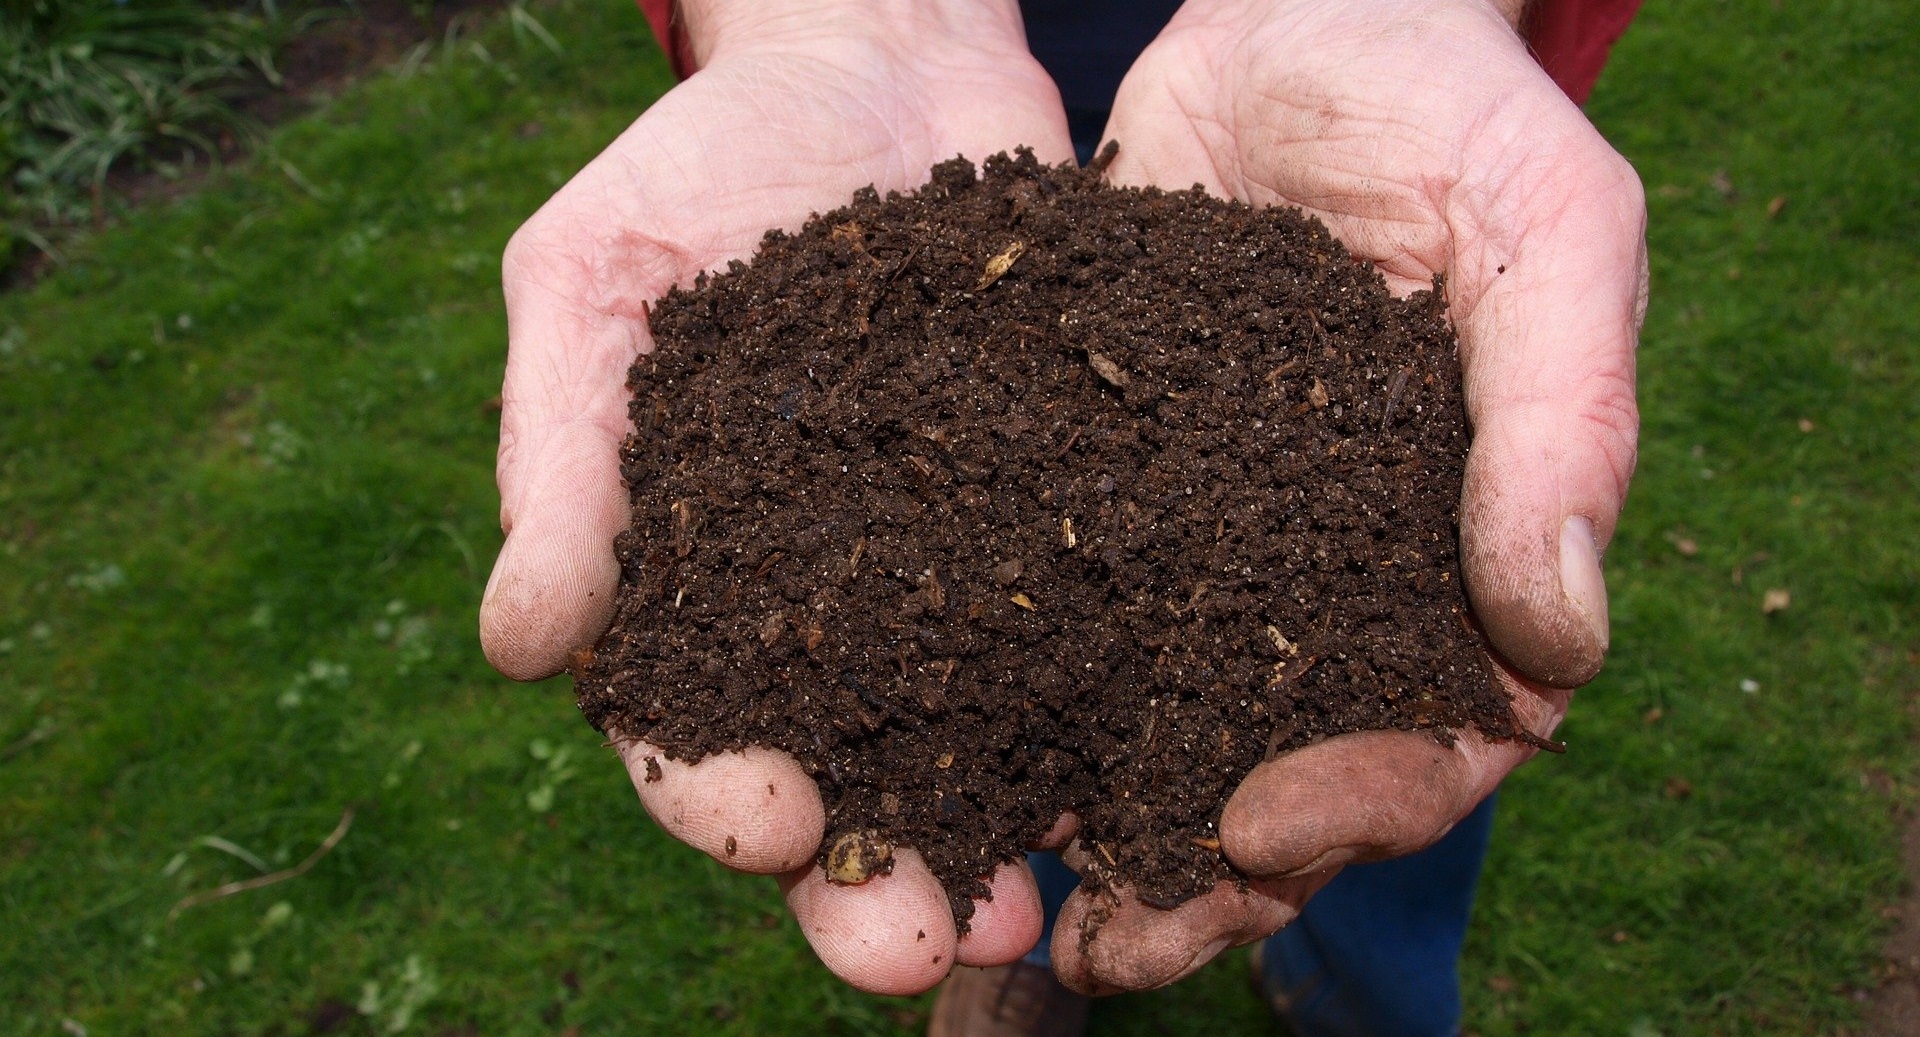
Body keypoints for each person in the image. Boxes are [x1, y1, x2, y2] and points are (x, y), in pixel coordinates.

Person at [478, 0, 1647, 1033]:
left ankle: (1362, 991)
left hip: (1292, 92)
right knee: (1015, 779)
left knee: (1382, 759)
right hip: (931, 65)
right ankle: (1030, 946)